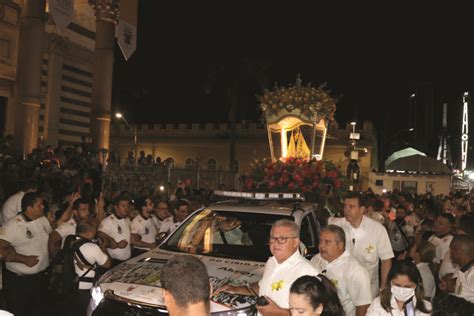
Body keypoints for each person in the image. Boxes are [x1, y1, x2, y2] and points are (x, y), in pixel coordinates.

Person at [220, 219, 319, 315]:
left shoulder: (307, 272)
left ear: (296, 242)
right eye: (273, 238)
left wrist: (279, 313)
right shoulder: (271, 262)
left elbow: (314, 313)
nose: (276, 243)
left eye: (282, 239)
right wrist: (236, 289)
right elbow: (264, 286)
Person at [329, 192, 394, 297]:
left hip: (368, 290)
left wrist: (383, 289)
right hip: (341, 291)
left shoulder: (377, 230)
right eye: (345, 206)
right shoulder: (336, 227)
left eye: (352, 206)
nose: (347, 210)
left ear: (362, 209)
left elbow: (386, 261)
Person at [0, 192, 52, 316]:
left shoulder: (42, 220)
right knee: (21, 311)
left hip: (41, 277)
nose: (43, 207)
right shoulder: (13, 225)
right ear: (29, 208)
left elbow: (52, 233)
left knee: (39, 309)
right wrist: (22, 259)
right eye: (40, 205)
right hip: (20, 283)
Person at [311, 225, 372, 316]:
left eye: (327, 242)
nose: (321, 246)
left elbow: (363, 305)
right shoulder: (316, 259)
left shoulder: (355, 269)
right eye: (320, 241)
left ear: (340, 245)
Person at [71, 219, 111, 316]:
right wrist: (103, 247)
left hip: (72, 284)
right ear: (89, 232)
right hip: (86, 288)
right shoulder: (91, 247)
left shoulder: (70, 242)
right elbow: (107, 264)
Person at [366, 260, 431, 316]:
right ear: (390, 283)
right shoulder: (378, 304)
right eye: (397, 285)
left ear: (417, 285)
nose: (402, 290)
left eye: (407, 287)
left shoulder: (426, 308)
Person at [98, 193, 131, 266]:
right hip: (114, 262)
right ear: (116, 207)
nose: (126, 208)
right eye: (123, 206)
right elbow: (100, 239)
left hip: (127, 260)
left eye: (127, 205)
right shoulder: (108, 221)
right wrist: (116, 245)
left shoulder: (127, 220)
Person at [449, 234, 474, 303]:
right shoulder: (462, 269)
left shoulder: (472, 274)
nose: (450, 254)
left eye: (451, 250)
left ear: (457, 250)